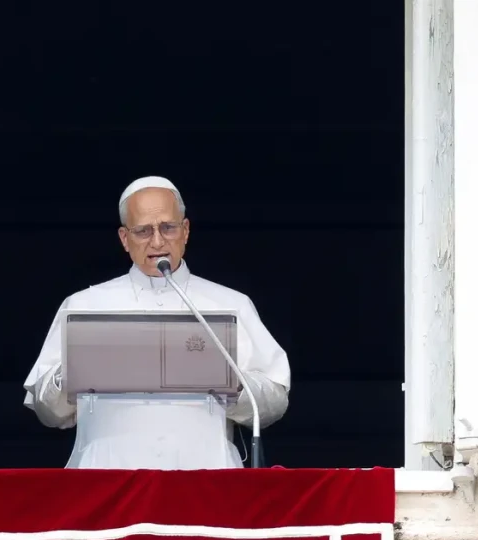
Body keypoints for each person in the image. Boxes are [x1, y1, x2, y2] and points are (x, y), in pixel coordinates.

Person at [23, 176, 291, 468]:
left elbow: (274, 403)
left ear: (185, 231)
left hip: (207, 473)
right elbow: (47, 412)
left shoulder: (231, 304)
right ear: (124, 239)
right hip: (108, 472)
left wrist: (232, 384)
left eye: (168, 227)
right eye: (143, 231)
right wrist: (71, 375)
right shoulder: (84, 305)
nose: (158, 241)